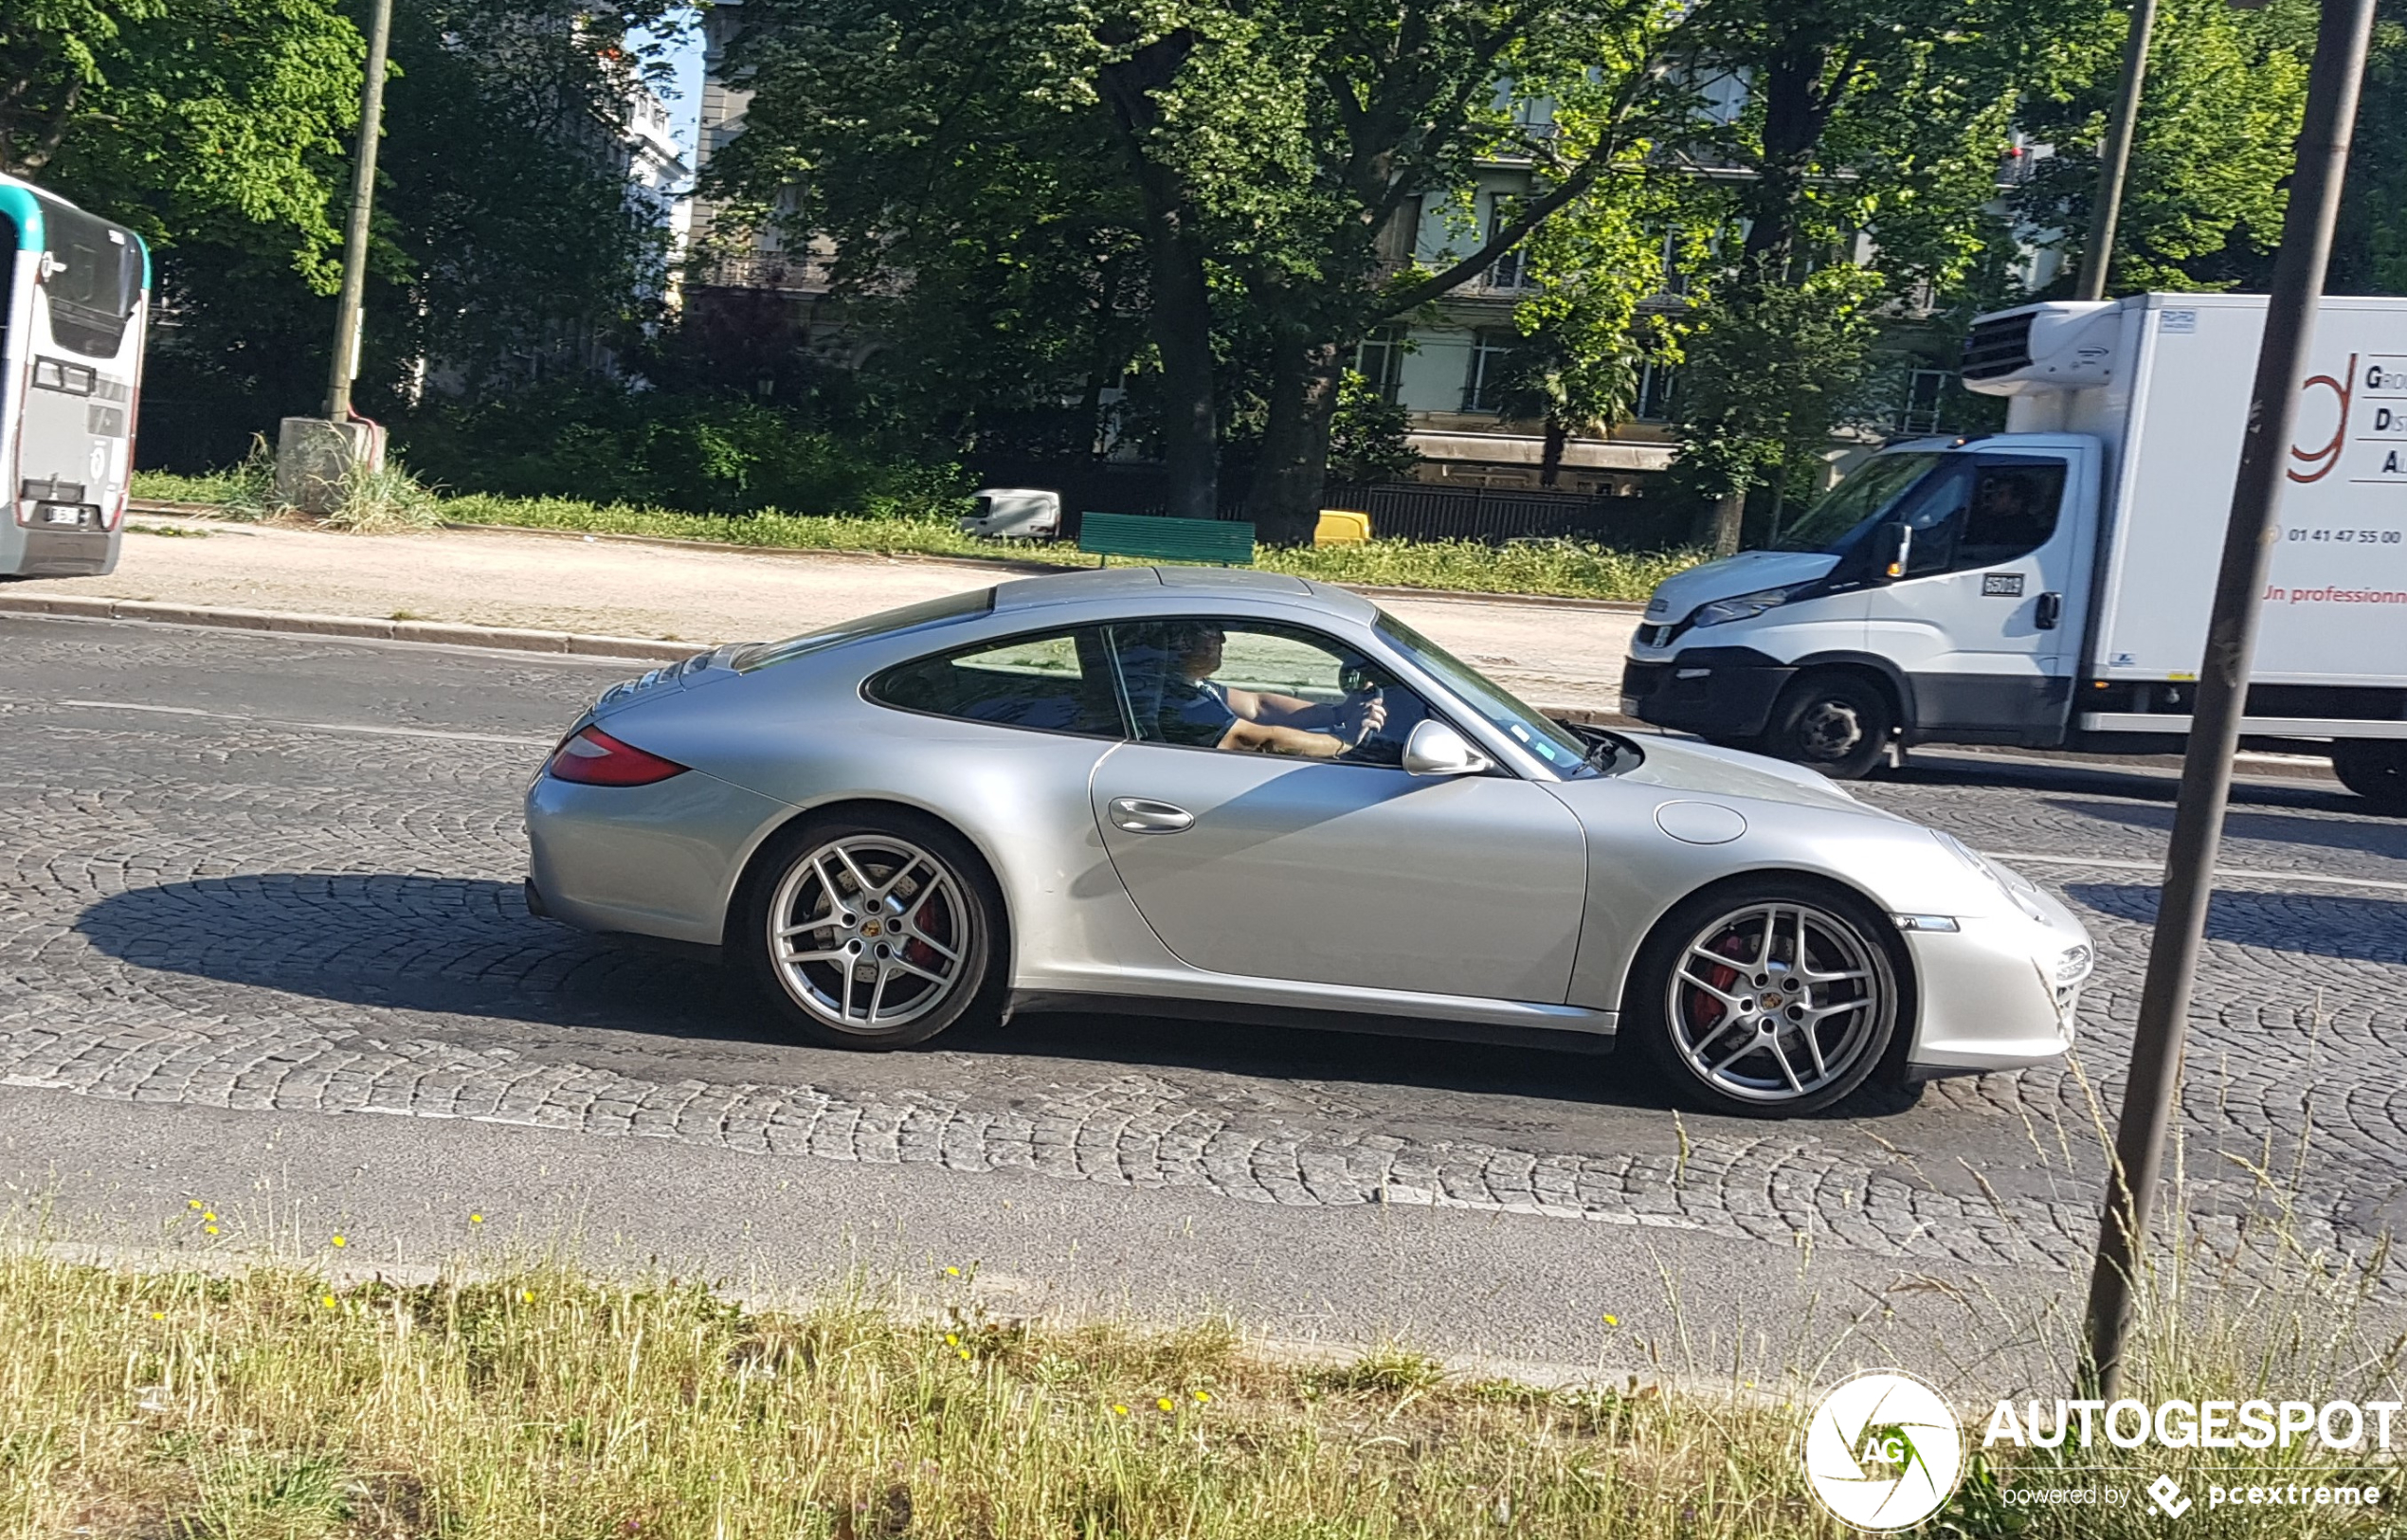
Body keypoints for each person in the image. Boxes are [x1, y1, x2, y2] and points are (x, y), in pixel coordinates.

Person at [1155, 623, 1387, 758]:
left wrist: (1339, 714)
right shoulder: (1183, 702)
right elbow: (1262, 740)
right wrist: (1344, 742)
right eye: (1212, 631)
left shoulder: (1192, 684)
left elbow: (1258, 705)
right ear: (1183, 642)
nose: (1223, 640)